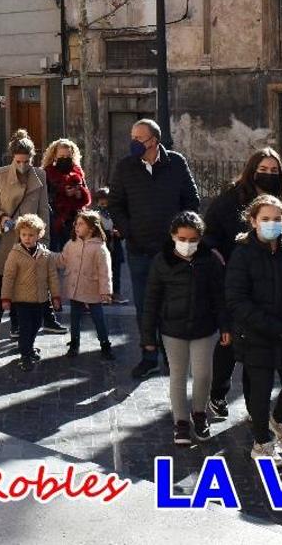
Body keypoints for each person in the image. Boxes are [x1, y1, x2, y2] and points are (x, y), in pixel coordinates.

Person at [202, 147, 282, 418]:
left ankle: (255, 407)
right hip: (236, 286)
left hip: (274, 289)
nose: (268, 175)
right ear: (252, 170)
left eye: (274, 171)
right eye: (263, 170)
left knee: (258, 353)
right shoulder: (230, 199)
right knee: (228, 341)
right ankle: (218, 392)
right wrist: (218, 256)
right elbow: (209, 233)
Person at [109, 119, 200, 379]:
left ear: (154, 141)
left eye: (139, 138)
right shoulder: (125, 167)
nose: (134, 143)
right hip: (139, 250)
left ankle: (172, 356)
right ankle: (149, 355)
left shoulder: (176, 163)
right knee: (144, 306)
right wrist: (129, 232)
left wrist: (181, 236)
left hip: (173, 252)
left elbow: (192, 201)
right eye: (132, 137)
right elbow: (115, 205)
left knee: (173, 304)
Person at [226, 194, 282, 462]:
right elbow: (236, 299)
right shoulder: (242, 254)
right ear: (253, 221)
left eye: (277, 219)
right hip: (256, 335)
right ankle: (262, 442)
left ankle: (279, 420)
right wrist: (272, 326)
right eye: (265, 219)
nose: (271, 224)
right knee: (260, 392)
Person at [143, 212, 229, 446]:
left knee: (203, 374)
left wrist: (225, 326)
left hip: (204, 327)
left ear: (200, 238)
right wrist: (148, 336)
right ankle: (180, 422)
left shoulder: (210, 260)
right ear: (173, 235)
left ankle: (199, 414)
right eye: (182, 238)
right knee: (178, 377)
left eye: (193, 240)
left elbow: (219, 296)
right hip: (172, 329)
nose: (187, 244)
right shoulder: (161, 261)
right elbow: (151, 299)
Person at [0, 133, 52, 349]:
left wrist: (44, 241)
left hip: (30, 240)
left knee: (27, 284)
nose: (22, 165)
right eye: (18, 161)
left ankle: (17, 326)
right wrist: (1, 217)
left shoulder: (40, 175)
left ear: (33, 158)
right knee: (5, 284)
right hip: (6, 239)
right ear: (12, 158)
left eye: (26, 161)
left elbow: (43, 210)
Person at [0, 214, 60, 371]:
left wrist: (55, 296)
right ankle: (25, 355)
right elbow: (8, 277)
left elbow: (52, 276)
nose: (27, 238)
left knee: (36, 325)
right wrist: (5, 297)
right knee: (25, 328)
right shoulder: (15, 254)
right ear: (19, 235)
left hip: (40, 299)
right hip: (21, 299)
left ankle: (29, 348)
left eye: (31, 235)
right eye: (24, 235)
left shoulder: (45, 254)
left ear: (39, 235)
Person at [57, 210, 114, 361]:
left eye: (81, 224)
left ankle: (105, 344)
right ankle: (74, 343)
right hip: (75, 288)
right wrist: (47, 257)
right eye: (76, 223)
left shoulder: (99, 248)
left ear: (92, 228)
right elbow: (62, 260)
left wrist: (105, 291)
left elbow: (105, 272)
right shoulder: (71, 244)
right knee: (74, 317)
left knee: (98, 318)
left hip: (91, 289)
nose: (76, 226)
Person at [43, 138, 91, 253]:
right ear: (54, 156)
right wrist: (63, 192)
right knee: (56, 255)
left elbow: (86, 196)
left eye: (68, 156)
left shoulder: (78, 172)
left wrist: (79, 194)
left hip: (75, 221)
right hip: (55, 221)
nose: (65, 159)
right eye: (61, 156)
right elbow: (44, 197)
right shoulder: (47, 173)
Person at [95, 187, 128, 304]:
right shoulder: (96, 215)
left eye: (106, 200)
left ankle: (115, 293)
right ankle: (103, 294)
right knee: (103, 271)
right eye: (101, 201)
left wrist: (119, 233)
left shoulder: (115, 214)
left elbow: (123, 229)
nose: (103, 203)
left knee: (115, 271)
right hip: (103, 247)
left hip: (115, 247)